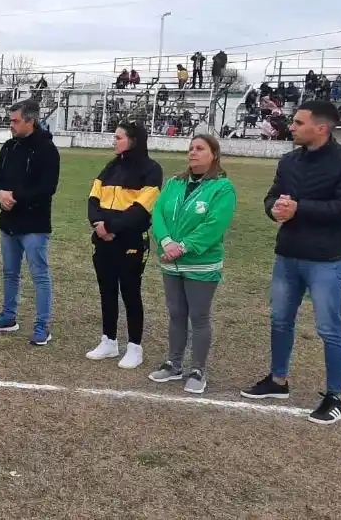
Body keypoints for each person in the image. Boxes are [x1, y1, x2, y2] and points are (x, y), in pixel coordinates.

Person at [241, 101, 341, 425]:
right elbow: (272, 197)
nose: (292, 127)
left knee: (329, 328)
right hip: (287, 255)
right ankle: (278, 381)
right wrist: (275, 209)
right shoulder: (289, 161)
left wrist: (301, 208)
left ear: (321, 128)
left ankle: (334, 396)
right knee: (280, 320)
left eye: (299, 123)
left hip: (326, 261)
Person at [148, 135, 237, 394]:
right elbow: (159, 213)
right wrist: (166, 242)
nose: (193, 153)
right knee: (176, 313)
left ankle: (197, 369)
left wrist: (183, 247)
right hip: (171, 261)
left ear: (214, 154)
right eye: (190, 149)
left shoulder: (222, 187)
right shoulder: (175, 183)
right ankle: (174, 364)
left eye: (200, 149)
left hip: (201, 264)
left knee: (198, 316)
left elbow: (214, 225)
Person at [0, 100, 61, 345]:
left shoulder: (47, 150)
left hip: (34, 224)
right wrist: (0, 195)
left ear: (30, 121)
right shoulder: (9, 147)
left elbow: (47, 187)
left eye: (15, 121)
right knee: (9, 272)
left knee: (39, 275)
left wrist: (15, 197)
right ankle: (8, 316)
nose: (11, 125)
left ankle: (42, 325)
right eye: (10, 120)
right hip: (8, 221)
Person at [86, 122, 163, 368]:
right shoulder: (110, 168)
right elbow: (93, 199)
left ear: (133, 140)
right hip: (103, 241)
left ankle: (134, 347)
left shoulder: (151, 170)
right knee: (106, 292)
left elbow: (141, 209)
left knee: (130, 293)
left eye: (118, 137)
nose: (114, 141)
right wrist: (99, 225)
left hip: (130, 242)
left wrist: (110, 227)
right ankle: (108, 341)